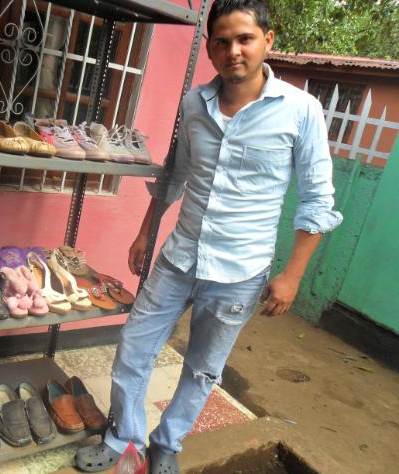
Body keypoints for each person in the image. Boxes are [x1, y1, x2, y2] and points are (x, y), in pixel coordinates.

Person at [75, 1, 343, 473]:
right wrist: (145, 232)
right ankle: (124, 438)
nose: (233, 50)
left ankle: (167, 444)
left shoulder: (301, 111)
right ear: (209, 48)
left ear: (267, 41)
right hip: (178, 257)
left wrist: (292, 276)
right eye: (222, 41)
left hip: (240, 271)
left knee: (201, 369)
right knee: (134, 347)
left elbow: (318, 199)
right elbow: (175, 174)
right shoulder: (194, 104)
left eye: (245, 39)